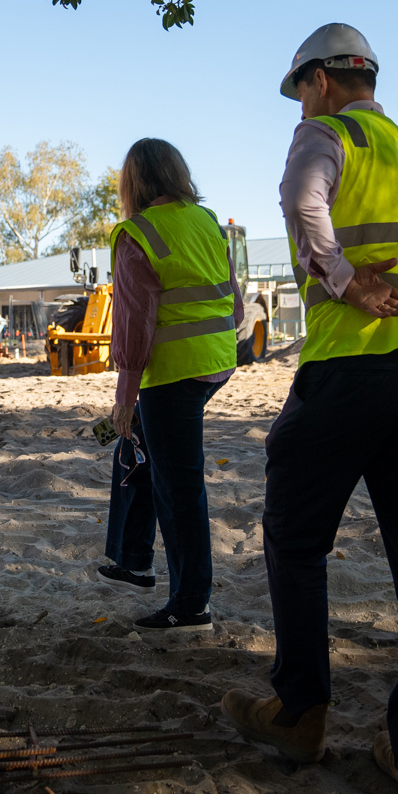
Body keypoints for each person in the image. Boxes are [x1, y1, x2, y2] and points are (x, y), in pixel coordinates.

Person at [220, 24, 398, 794]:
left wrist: (341, 280)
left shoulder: (322, 134)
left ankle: (300, 711)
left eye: (299, 89)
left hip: (356, 365)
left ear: (322, 81)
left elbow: (302, 201)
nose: (297, 105)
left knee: (293, 533)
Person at [102, 138, 242, 629]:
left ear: (134, 182)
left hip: (173, 373)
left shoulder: (137, 232)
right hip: (216, 364)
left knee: (178, 486)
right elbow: (235, 300)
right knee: (142, 450)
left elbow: (133, 326)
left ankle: (190, 605)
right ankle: (133, 559)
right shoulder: (204, 222)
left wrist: (125, 397)